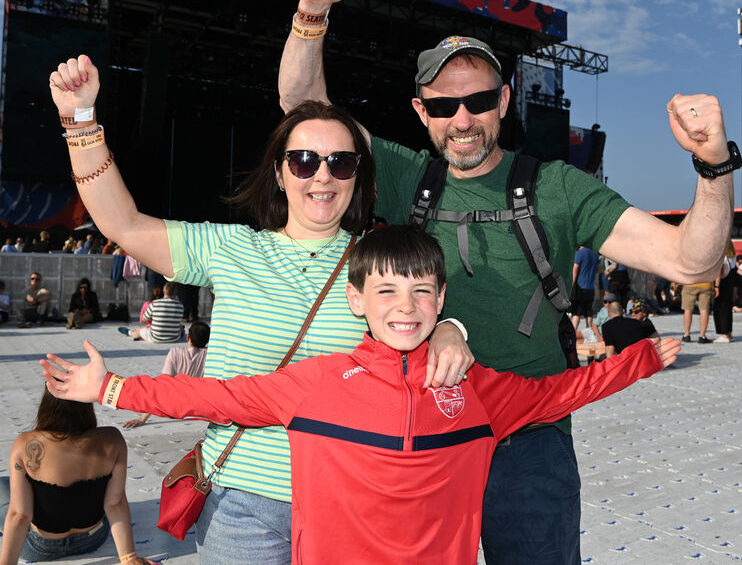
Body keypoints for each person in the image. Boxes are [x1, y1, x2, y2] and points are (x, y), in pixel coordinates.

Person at [278, 0, 735, 563]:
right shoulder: (407, 173)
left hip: (530, 441)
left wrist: (713, 165)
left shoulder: (558, 187)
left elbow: (692, 262)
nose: (462, 119)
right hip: (424, 437)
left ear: (504, 100)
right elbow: (305, 112)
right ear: (421, 112)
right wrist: (311, 10)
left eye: (478, 101)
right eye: (442, 105)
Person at [42, 226, 681, 564]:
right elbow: (217, 397)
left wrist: (641, 360)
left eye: (423, 292)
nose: (406, 308)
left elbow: (559, 393)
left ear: (441, 300)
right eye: (387, 293)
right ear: (357, 302)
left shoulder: (476, 388)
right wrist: (113, 386)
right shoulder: (318, 384)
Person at [49, 60, 470, 565]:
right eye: (304, 160)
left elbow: (425, 305)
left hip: (351, 503)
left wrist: (449, 327)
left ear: (359, 177)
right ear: (279, 170)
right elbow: (123, 224)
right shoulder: (230, 248)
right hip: (240, 504)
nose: (323, 175)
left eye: (341, 162)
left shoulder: (377, 263)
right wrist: (81, 121)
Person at [0, 388, 155, 564]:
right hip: (92, 539)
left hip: (41, 547)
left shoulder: (24, 444)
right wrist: (129, 558)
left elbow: (20, 515)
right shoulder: (112, 439)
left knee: (4, 488)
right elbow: (114, 503)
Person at [123, 321, 210, 428]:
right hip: (195, 407)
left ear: (188, 337)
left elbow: (162, 385)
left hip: (172, 409)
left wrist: (142, 419)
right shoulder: (209, 355)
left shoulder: (175, 352)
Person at [118, 281, 183, 343]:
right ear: (175, 292)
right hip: (174, 338)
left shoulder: (155, 303)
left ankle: (130, 333)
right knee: (180, 327)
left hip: (155, 337)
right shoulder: (180, 305)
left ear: (164, 291)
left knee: (139, 330)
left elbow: (144, 319)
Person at [713, 240, 737, 343]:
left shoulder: (722, 256)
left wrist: (716, 286)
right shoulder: (733, 257)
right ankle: (729, 332)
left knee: (720, 308)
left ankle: (724, 334)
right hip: (730, 283)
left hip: (722, 283)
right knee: (727, 309)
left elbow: (720, 271)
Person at [571, 246, 599, 331]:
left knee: (576, 312)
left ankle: (573, 332)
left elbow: (575, 268)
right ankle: (589, 330)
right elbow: (598, 269)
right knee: (589, 311)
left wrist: (572, 284)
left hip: (580, 287)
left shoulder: (580, 253)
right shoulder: (595, 254)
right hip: (591, 287)